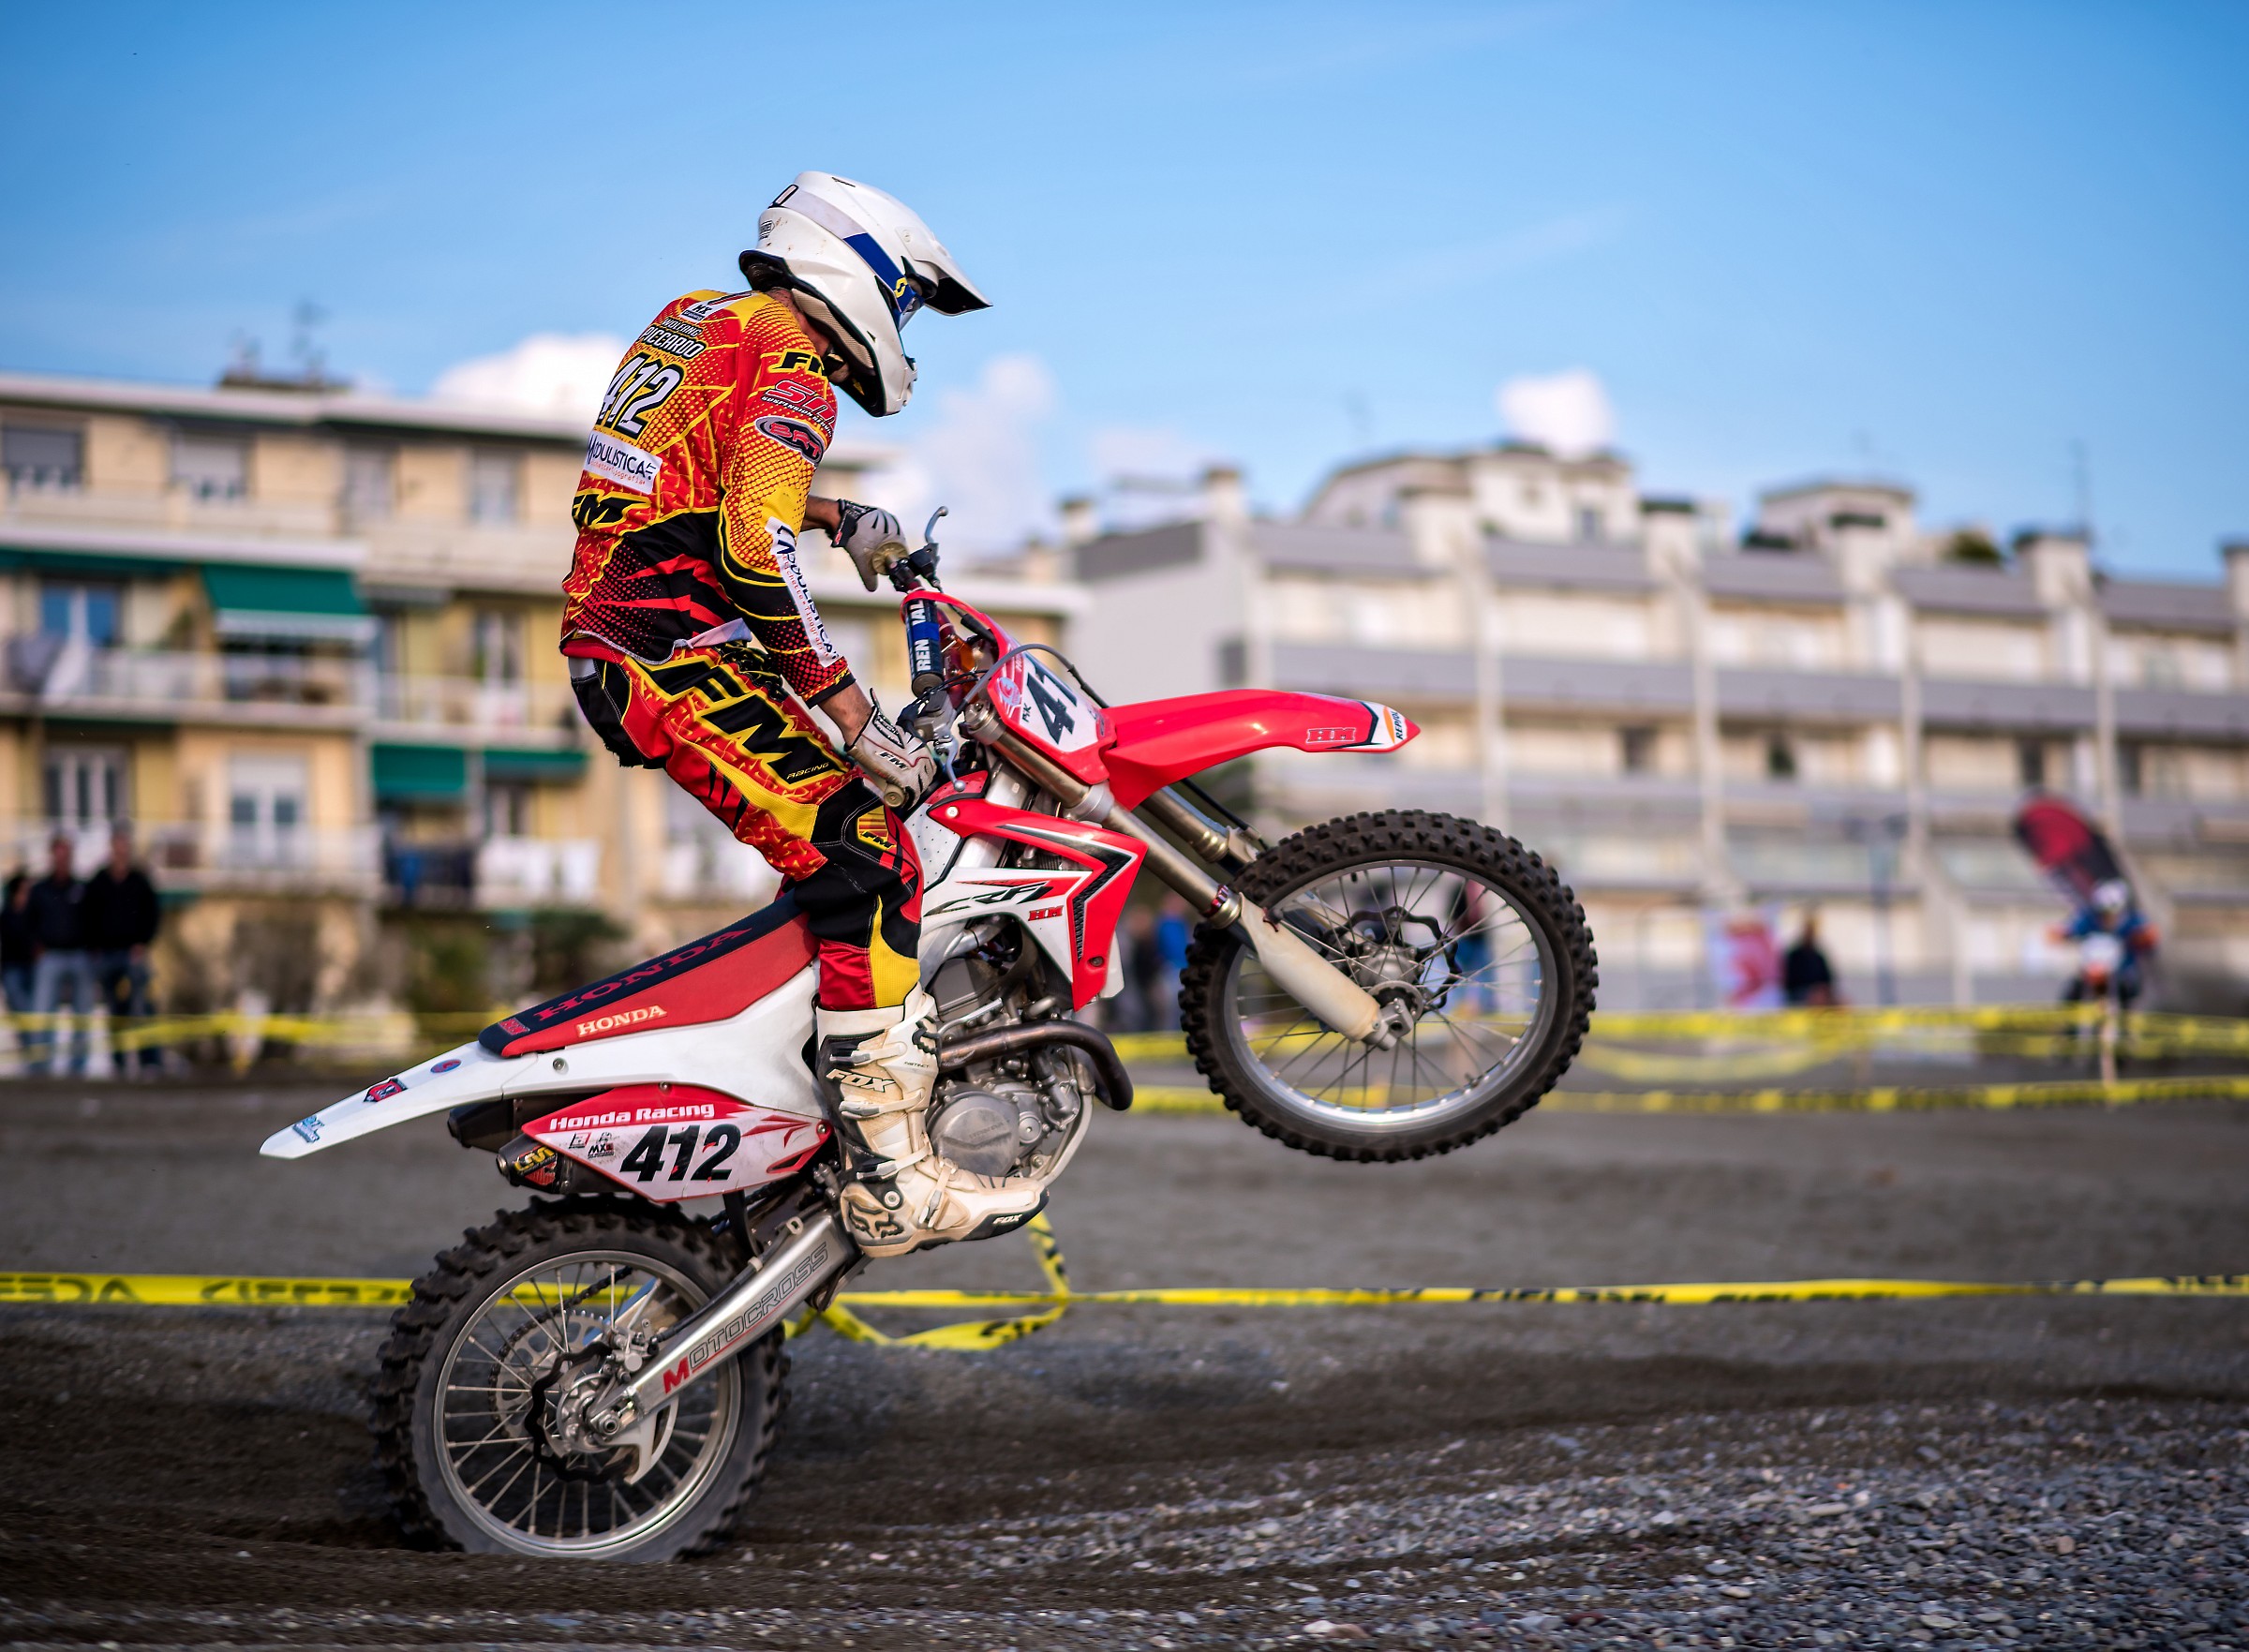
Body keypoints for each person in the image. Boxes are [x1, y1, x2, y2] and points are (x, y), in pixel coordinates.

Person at [561, 172, 1016, 1258]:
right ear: (854, 268)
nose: (902, 329)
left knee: (841, 844)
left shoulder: (702, 320)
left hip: (655, 639)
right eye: (902, 302)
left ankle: (810, 1089)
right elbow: (750, 548)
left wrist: (839, 514)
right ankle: (889, 1175)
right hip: (667, 654)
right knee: (869, 851)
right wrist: (848, 705)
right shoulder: (798, 367)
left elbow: (698, 488)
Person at [85, 825, 162, 1076]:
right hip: (106, 956)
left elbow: (153, 914)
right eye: (117, 847)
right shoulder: (98, 880)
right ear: (112, 848)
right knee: (114, 1013)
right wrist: (94, 946)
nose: (121, 852)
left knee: (142, 1009)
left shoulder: (140, 881)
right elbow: (88, 915)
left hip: (133, 955)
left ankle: (148, 1061)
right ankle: (118, 1064)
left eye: (125, 847)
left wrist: (143, 943)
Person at [26, 834, 97, 1076]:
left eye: (67, 853)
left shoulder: (82, 888)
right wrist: (36, 948)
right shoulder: (40, 890)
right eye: (59, 852)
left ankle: (77, 1069)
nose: (63, 858)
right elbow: (28, 922)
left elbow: (92, 921)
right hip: (50, 957)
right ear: (52, 855)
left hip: (79, 956)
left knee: (82, 1016)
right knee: (42, 1014)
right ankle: (40, 1068)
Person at [2057, 879, 2156, 1008]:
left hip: (2122, 969)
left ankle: (2123, 1023)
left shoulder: (2132, 919)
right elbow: (2072, 928)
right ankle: (2069, 1025)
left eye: (2112, 913)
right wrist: (2063, 933)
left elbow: (2147, 933)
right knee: (2074, 989)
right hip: (2092, 966)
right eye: (2104, 913)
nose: (2108, 917)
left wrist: (2144, 937)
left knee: (2128, 987)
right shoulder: (2089, 918)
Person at [1, 872, 33, 1053]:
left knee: (29, 1012)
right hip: (12, 969)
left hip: (31, 968)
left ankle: (33, 1050)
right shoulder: (6, 916)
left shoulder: (32, 914)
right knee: (20, 1010)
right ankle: (30, 1049)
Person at [1781, 913, 1839, 1007]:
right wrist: (1812, 990)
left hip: (1819, 993)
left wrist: (1823, 989)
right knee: (1817, 998)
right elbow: (1790, 981)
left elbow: (1828, 979)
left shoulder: (1818, 956)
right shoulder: (1795, 955)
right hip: (1799, 993)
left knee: (1841, 1001)